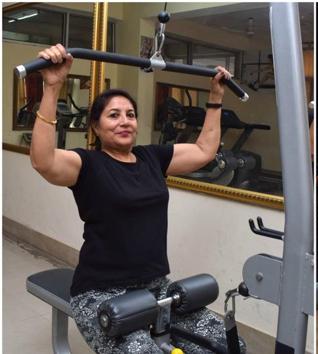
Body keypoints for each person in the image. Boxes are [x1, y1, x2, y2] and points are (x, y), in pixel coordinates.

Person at [30, 44, 246, 354]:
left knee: (231, 345)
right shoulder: (88, 164)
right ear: (95, 127)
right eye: (113, 115)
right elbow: (44, 161)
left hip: (156, 287)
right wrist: (52, 87)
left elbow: (203, 152)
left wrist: (215, 99)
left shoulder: (152, 158)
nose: (124, 121)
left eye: (130, 115)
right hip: (99, 291)